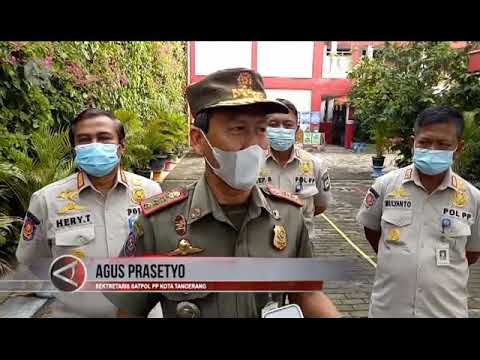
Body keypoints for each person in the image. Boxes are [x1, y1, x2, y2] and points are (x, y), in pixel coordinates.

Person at [107, 68, 339, 318]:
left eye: (261, 130)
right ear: (198, 140)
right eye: (238, 129)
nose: (253, 145)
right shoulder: (158, 223)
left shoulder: (289, 215)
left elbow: (308, 294)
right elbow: (130, 309)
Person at [15, 108, 163, 317]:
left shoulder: (150, 192)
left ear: (122, 147)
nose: (94, 145)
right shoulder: (47, 200)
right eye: (84, 140)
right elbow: (33, 259)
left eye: (104, 138)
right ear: (75, 149)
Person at [356, 106, 480, 318]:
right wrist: (399, 258)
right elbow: (372, 230)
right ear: (413, 142)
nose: (432, 149)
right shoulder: (386, 185)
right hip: (389, 309)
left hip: (445, 311)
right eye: (424, 142)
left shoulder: (473, 197)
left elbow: (471, 253)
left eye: (443, 144)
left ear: (458, 148)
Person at [257, 98, 331, 234]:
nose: (281, 129)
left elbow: (320, 206)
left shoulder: (314, 164)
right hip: (261, 243)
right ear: (264, 128)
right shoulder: (253, 163)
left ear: (297, 129)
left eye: (287, 124)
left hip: (301, 244)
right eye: (273, 124)